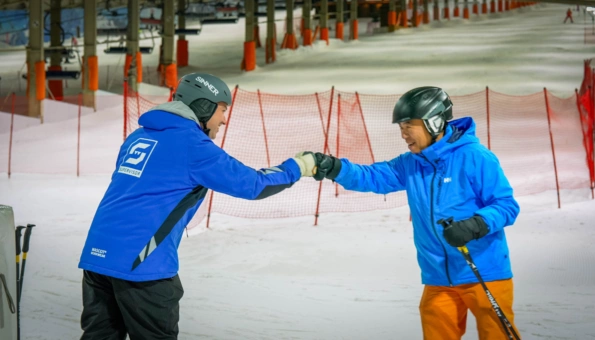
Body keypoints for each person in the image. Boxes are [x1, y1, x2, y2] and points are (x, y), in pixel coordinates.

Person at [78, 72, 314, 340]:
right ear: (203, 106)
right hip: (141, 266)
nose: (224, 119)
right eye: (222, 110)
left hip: (97, 257)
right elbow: (253, 184)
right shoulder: (193, 145)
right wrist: (299, 167)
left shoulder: (139, 136)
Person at [295, 86, 521, 339]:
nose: (403, 134)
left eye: (409, 126)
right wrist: (335, 168)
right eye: (401, 128)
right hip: (438, 277)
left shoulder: (475, 157)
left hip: (484, 271)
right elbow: (372, 176)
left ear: (434, 122)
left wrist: (475, 225)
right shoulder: (411, 164)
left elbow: (506, 205)